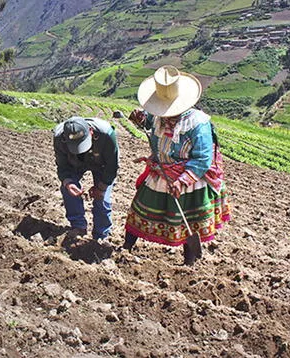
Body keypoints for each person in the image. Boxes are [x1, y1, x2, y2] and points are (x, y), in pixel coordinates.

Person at [123, 65, 231, 265]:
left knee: (189, 220)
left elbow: (203, 158)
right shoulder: (158, 117)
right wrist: (142, 119)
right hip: (161, 171)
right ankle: (125, 249)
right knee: (139, 209)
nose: (163, 114)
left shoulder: (198, 124)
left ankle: (188, 263)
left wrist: (182, 181)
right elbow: (152, 123)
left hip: (190, 177)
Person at [53, 116, 119, 241]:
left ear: (91, 132)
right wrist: (68, 183)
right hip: (75, 164)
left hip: (102, 163)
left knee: (102, 198)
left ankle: (101, 235)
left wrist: (101, 187)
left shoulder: (106, 134)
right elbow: (62, 167)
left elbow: (112, 167)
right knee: (68, 191)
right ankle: (78, 226)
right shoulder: (59, 138)